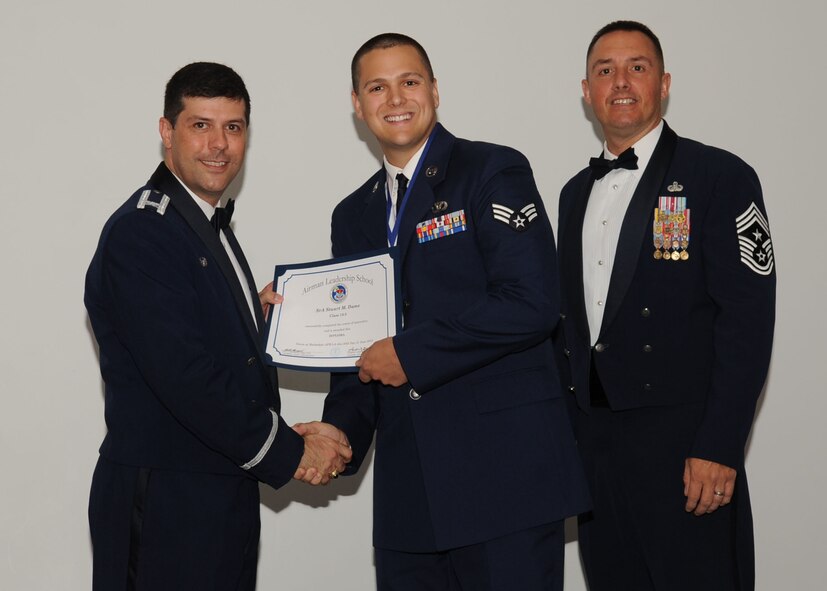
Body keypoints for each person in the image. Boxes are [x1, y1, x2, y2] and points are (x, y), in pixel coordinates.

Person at [294, 33, 590, 591]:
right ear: (357, 105)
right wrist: (337, 432)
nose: (395, 98)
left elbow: (531, 303)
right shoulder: (352, 214)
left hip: (506, 483)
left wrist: (410, 354)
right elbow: (359, 352)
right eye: (376, 87)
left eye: (409, 81)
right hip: (411, 496)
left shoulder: (491, 170)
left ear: (434, 90)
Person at [84, 62, 351, 590]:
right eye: (200, 124)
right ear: (166, 131)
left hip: (215, 491)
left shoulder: (200, 223)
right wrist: (292, 452)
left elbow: (191, 332)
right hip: (165, 501)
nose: (219, 145)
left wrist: (258, 320)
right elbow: (186, 376)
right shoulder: (144, 232)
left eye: (233, 127)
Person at [556, 21, 776, 591]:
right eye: (605, 71)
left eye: (637, 67)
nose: (621, 82)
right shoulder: (573, 193)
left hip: (686, 451)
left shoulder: (720, 176)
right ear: (587, 90)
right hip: (599, 456)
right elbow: (571, 331)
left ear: (665, 83)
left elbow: (747, 323)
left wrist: (719, 447)